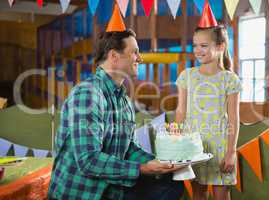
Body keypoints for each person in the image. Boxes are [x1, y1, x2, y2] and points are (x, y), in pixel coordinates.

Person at [48, 29, 183, 200]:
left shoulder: (124, 101)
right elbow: (88, 160)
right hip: (83, 194)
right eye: (135, 52)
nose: (140, 58)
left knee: (170, 181)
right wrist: (143, 168)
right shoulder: (88, 94)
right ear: (114, 56)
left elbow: (129, 149)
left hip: (112, 188)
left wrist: (159, 163)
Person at [175, 24, 242, 200]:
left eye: (203, 46)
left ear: (220, 46)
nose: (197, 50)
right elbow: (181, 110)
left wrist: (231, 152)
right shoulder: (187, 76)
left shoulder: (230, 79)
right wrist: (177, 141)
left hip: (220, 147)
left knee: (221, 194)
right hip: (194, 145)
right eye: (195, 45)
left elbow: (233, 118)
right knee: (198, 193)